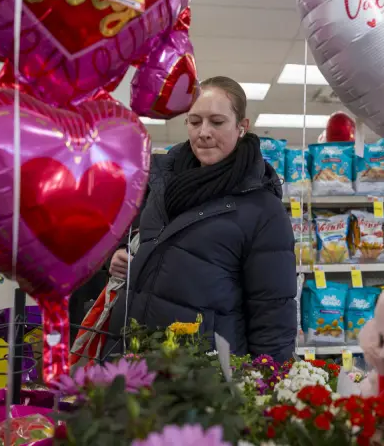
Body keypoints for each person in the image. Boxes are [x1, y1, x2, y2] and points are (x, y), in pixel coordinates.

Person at [103, 76, 297, 363]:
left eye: (217, 122)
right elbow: (128, 232)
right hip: (132, 355)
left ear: (242, 127)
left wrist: (268, 383)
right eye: (195, 121)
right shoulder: (162, 181)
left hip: (202, 376)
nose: (204, 132)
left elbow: (273, 312)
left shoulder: (262, 209)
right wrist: (119, 253)